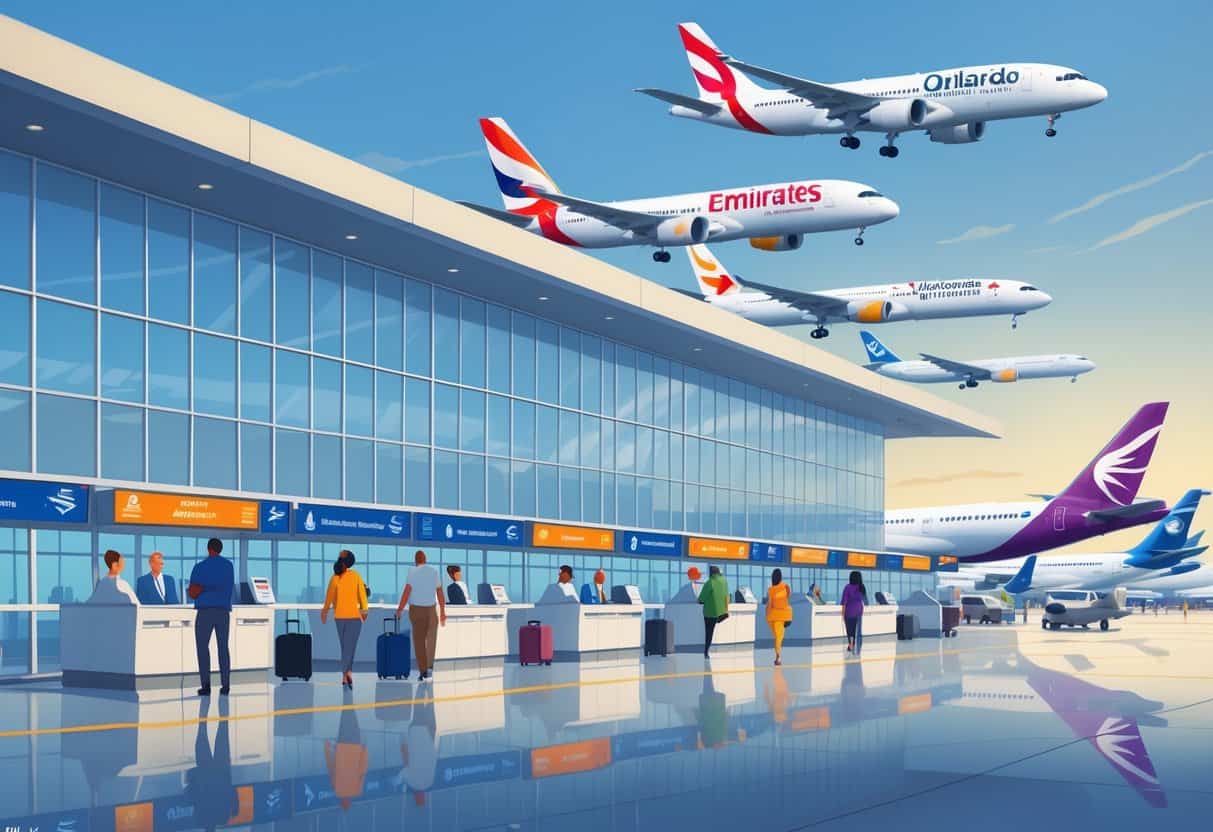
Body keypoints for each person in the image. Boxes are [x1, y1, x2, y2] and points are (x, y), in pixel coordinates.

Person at [188, 538, 235, 697]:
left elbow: (193, 592)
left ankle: (206, 686)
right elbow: (229, 588)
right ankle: (226, 685)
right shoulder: (229, 566)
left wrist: (204, 588)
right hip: (223, 613)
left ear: (209, 549)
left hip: (205, 612)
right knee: (223, 648)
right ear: (220, 549)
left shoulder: (200, 567)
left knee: (202, 648)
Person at [395, 550, 446, 681]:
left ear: (415, 560)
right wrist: (443, 611)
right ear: (425, 559)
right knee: (431, 639)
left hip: (416, 610)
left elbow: (407, 591)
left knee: (419, 641)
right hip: (431, 610)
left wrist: (400, 609)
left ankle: (423, 671)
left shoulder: (412, 571)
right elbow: (440, 591)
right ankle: (429, 667)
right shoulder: (434, 571)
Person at [321, 550, 368, 689]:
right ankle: (347, 672)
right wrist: (365, 610)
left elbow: (329, 597)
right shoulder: (354, 576)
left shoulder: (335, 578)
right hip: (354, 617)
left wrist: (324, 611)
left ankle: (346, 674)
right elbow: (362, 596)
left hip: (341, 617)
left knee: (346, 647)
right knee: (349, 647)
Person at [325, 697, 368, 811]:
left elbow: (362, 770)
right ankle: (346, 686)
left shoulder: (357, 790)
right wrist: (327, 748)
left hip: (355, 744)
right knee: (345, 712)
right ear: (341, 802)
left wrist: (364, 750)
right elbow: (331, 767)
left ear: (350, 802)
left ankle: (348, 686)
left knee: (351, 713)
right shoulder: (336, 789)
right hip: (342, 745)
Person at [698, 566, 729, 658]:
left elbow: (701, 599)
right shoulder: (724, 581)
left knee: (709, 632)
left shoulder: (709, 582)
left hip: (710, 613)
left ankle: (706, 652)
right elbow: (727, 596)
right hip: (722, 612)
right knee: (712, 630)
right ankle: (707, 651)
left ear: (711, 573)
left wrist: (700, 600)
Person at [766, 568, 792, 666]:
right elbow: (787, 598)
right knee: (778, 637)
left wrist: (767, 614)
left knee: (777, 637)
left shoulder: (771, 590)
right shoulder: (786, 587)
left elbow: (770, 604)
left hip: (773, 616)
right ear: (781, 577)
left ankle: (778, 656)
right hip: (783, 615)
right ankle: (778, 656)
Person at [840, 570, 867, 654]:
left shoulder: (847, 587)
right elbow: (865, 601)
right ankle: (858, 648)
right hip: (859, 611)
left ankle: (851, 645)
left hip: (849, 611)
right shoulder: (862, 587)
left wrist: (843, 613)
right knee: (858, 630)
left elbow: (844, 602)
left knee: (850, 629)